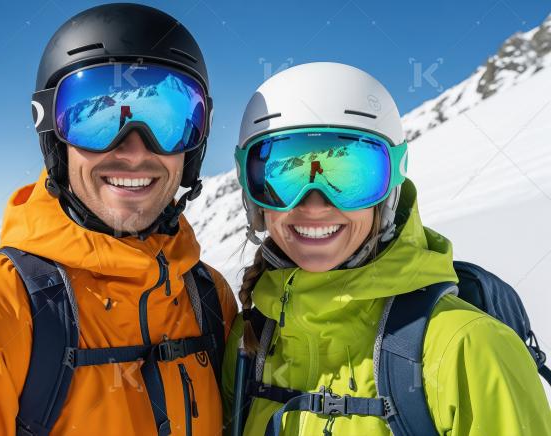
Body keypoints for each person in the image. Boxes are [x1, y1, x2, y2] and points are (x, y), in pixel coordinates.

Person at [0, 4, 237, 435]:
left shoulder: (210, 300)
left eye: (169, 121)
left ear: (195, 146)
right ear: (54, 137)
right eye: (96, 119)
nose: (134, 150)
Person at [222, 62, 551, 435]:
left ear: (390, 190)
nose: (314, 204)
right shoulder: (250, 344)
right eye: (286, 174)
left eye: (349, 173)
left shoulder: (469, 348)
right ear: (253, 197)